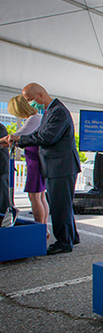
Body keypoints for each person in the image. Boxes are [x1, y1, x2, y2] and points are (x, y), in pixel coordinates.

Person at [4, 83, 81, 255]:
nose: (31, 104)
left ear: (40, 95)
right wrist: (19, 139)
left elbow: (47, 137)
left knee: (59, 206)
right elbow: (41, 135)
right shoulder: (49, 112)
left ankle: (63, 242)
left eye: (31, 99)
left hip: (61, 166)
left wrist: (20, 139)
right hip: (57, 165)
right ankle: (71, 237)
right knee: (63, 204)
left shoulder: (58, 111)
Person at [3, 96, 49, 235]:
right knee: (40, 196)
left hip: (35, 162)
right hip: (38, 160)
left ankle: (40, 230)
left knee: (34, 197)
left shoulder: (33, 119)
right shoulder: (37, 118)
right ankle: (44, 229)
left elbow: (15, 137)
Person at [0, 123, 9, 215]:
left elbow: (4, 143)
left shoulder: (0, 128)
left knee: (3, 197)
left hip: (1, 168)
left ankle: (4, 218)